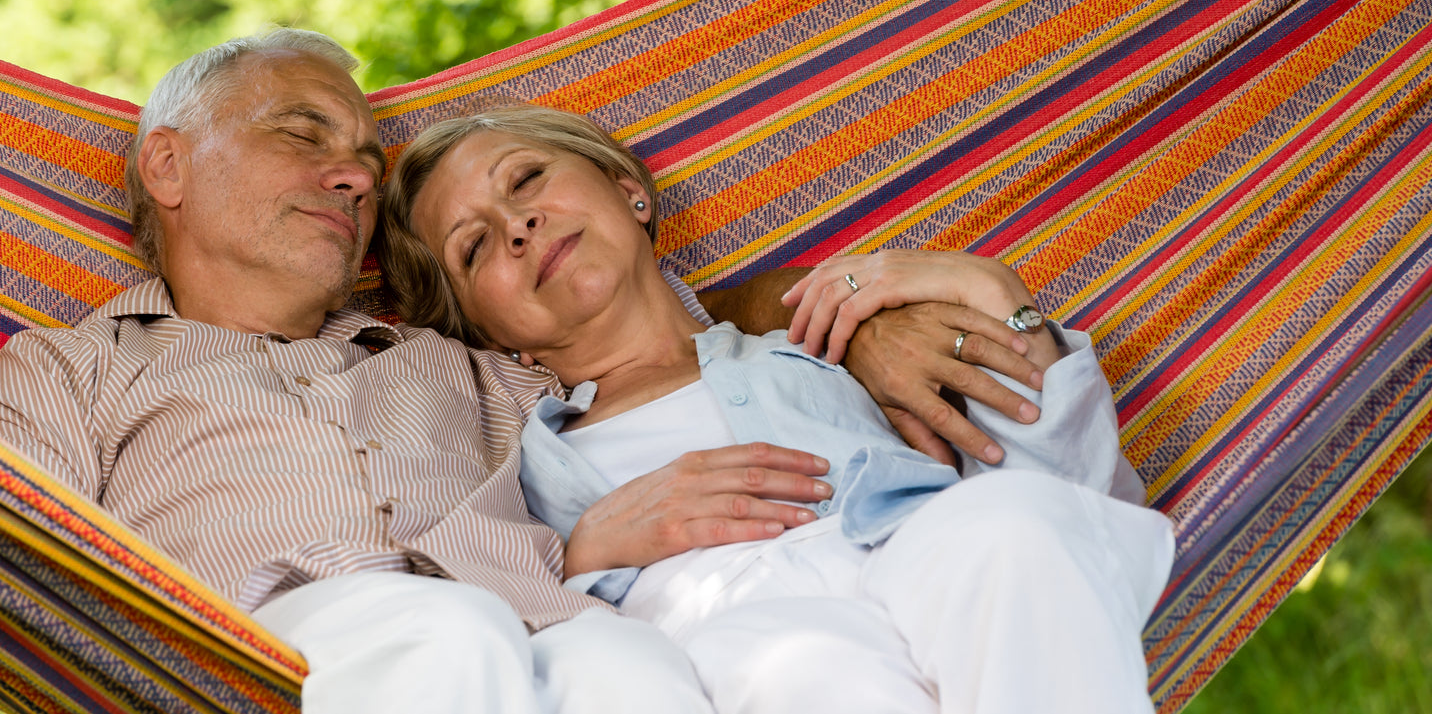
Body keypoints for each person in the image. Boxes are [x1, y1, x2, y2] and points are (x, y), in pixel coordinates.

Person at [0, 29, 1046, 714]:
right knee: (444, 634)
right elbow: (8, 564)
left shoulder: (466, 362)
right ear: (166, 161)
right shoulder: (74, 367)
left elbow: (644, 328)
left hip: (543, 623)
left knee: (634, 674)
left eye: (361, 160)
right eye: (304, 134)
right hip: (253, 648)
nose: (349, 173)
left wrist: (848, 318)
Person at [379, 103, 1177, 714]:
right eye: (473, 247)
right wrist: (585, 552)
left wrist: (989, 289)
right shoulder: (516, 450)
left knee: (1019, 527)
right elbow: (482, 608)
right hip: (730, 625)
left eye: (526, 180)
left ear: (631, 192)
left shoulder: (825, 345)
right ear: (486, 331)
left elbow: (1073, 492)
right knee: (813, 671)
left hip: (911, 548)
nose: (515, 225)